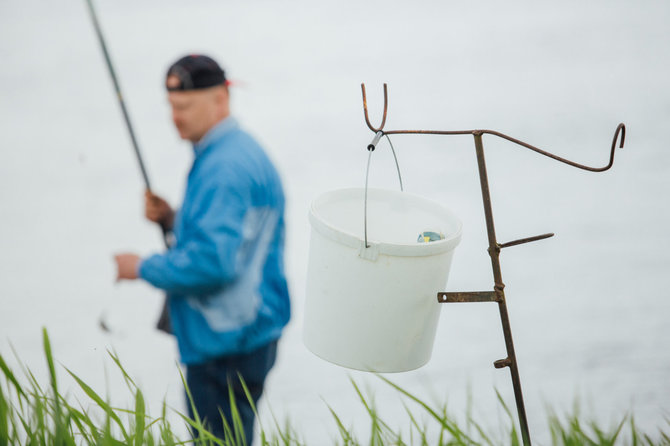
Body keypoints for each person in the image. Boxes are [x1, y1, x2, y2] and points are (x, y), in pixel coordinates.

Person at [114, 54, 291, 444]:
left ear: (220, 101)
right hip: (252, 331)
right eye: (172, 108)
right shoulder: (238, 151)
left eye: (185, 107)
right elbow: (239, 236)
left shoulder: (221, 168)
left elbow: (214, 264)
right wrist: (173, 220)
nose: (175, 118)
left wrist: (141, 267)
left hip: (225, 344)